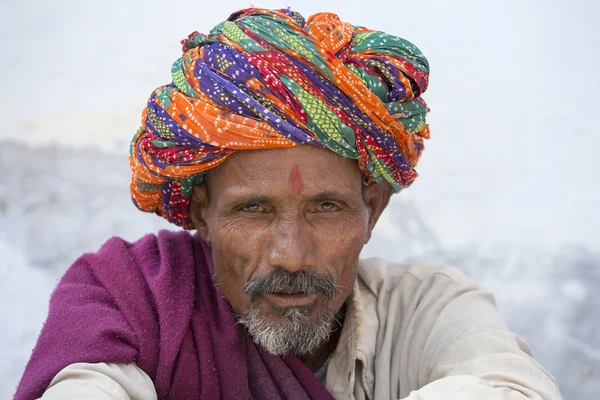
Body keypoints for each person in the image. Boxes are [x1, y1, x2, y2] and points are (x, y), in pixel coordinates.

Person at [15, 8, 562, 400]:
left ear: (372, 206)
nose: (291, 256)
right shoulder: (129, 299)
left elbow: (508, 385)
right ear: (202, 212)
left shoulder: (427, 310)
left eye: (327, 208)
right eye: (253, 210)